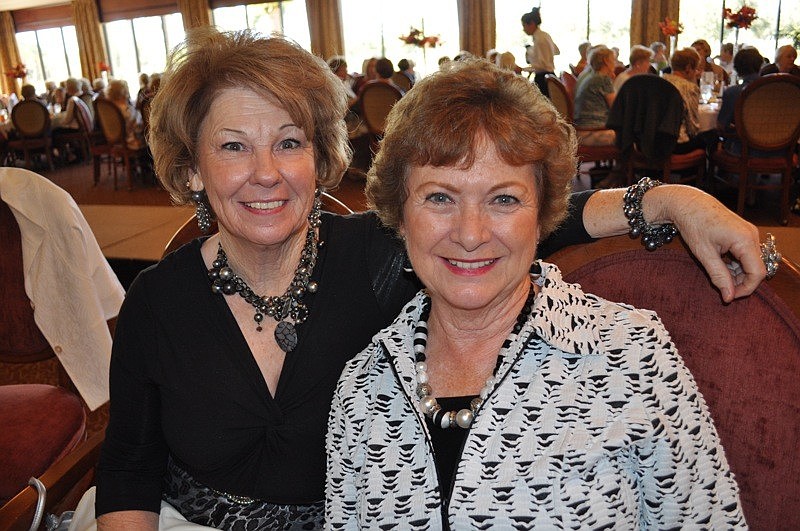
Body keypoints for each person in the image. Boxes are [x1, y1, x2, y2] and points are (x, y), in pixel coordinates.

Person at [92, 27, 765, 530]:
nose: (266, 172)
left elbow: (515, 215)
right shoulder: (158, 302)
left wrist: (671, 201)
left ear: (320, 159)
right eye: (233, 146)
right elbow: (128, 466)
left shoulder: (379, 253)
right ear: (191, 168)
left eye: (289, 142)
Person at [325, 57, 746, 530]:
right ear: (400, 217)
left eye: (503, 199)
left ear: (544, 216)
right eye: (439, 197)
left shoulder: (629, 354)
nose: (470, 234)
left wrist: (673, 200)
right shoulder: (363, 387)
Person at [662, 47, 718, 154]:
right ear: (688, 67)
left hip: (652, 142)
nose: (697, 72)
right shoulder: (688, 87)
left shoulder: (660, 80)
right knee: (713, 135)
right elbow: (693, 128)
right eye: (696, 68)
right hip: (676, 144)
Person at [573, 46, 617, 146]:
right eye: (613, 60)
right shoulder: (603, 78)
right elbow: (616, 108)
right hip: (594, 132)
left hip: (581, 130)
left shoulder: (587, 75)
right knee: (633, 135)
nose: (615, 63)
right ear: (606, 61)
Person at [521, 6, 560, 97]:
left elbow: (543, 66)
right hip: (548, 75)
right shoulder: (545, 35)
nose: (524, 29)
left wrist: (523, 69)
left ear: (532, 23)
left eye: (524, 25)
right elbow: (556, 51)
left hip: (543, 78)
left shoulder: (539, 39)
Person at [105, 79, 145, 151]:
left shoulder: (109, 107)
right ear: (124, 91)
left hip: (114, 141)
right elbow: (136, 124)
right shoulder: (124, 108)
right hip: (130, 141)